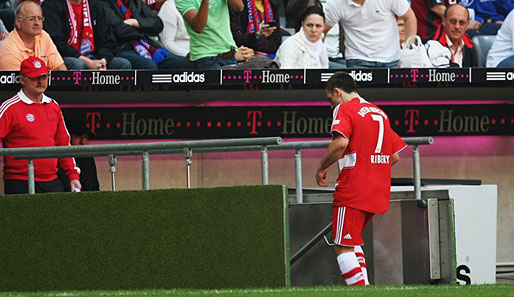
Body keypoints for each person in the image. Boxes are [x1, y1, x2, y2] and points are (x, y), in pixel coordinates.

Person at [315, 71, 406, 286]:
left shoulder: (345, 109)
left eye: (330, 100)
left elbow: (340, 144)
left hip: (353, 187)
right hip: (378, 188)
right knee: (353, 241)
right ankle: (365, 288)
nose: (330, 106)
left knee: (342, 245)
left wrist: (320, 167)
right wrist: (372, 166)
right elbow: (395, 156)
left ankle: (359, 291)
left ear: (337, 92)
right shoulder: (379, 112)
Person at [0, 56, 81, 194]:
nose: (40, 81)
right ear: (22, 80)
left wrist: (72, 176)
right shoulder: (9, 107)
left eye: (44, 77)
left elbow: (63, 144)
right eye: (35, 77)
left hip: (51, 180)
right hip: (19, 181)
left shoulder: (53, 106)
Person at [323, 0, 417, 68]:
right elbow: (322, 30)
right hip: (357, 58)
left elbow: (409, 18)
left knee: (394, 95)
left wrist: (408, 52)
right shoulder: (336, 3)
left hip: (392, 59)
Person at [41, 0, 132, 70]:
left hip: (94, 56)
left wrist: (103, 60)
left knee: (122, 64)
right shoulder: (52, 5)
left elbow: (108, 40)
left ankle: (109, 95)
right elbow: (56, 42)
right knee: (78, 65)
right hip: (65, 56)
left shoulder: (96, 5)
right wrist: (87, 61)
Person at [102, 0, 185, 69]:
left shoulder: (135, 2)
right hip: (121, 48)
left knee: (181, 63)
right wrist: (145, 30)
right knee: (149, 66)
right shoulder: (104, 3)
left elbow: (158, 24)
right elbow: (120, 30)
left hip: (145, 45)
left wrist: (136, 23)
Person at [175, 0, 255, 69]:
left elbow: (239, 7)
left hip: (229, 54)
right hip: (205, 58)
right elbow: (198, 28)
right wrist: (205, 1)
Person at [0, 1, 66, 71]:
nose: (37, 23)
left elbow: (60, 68)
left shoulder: (43, 36)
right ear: (18, 22)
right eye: (31, 19)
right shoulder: (9, 49)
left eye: (40, 18)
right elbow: (21, 81)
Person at [57, 118, 100, 191]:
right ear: (68, 137)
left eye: (85, 137)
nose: (83, 142)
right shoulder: (57, 160)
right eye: (78, 137)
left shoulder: (87, 158)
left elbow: (93, 187)